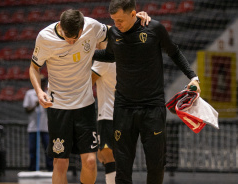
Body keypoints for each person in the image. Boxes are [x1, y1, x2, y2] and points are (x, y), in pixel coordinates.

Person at [28, 9, 151, 184]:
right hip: (58, 108)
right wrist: (39, 92)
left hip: (84, 107)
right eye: (67, 37)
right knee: (60, 163)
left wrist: (134, 20)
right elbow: (33, 67)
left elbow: (115, 30)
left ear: (82, 27)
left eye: (75, 38)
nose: (71, 42)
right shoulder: (45, 37)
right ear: (61, 26)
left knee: (91, 162)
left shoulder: (92, 26)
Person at [93, 0, 201, 183]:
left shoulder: (154, 29)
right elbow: (110, 55)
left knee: (156, 164)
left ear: (133, 14)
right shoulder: (113, 33)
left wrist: (193, 77)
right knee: (123, 165)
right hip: (123, 108)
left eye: (120, 20)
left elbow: (174, 52)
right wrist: (86, 53)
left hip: (152, 108)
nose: (116, 24)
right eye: (113, 20)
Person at [91, 41, 116, 184]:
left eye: (98, 40)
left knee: (107, 156)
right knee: (102, 154)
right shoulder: (121, 55)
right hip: (121, 113)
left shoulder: (104, 59)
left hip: (107, 114)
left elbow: (88, 82)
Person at [23, 77, 53, 172]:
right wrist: (35, 105)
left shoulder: (48, 94)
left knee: (48, 149)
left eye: (44, 82)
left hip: (45, 126)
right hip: (33, 127)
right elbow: (27, 110)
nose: (42, 83)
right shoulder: (30, 94)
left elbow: (52, 109)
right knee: (33, 149)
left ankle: (50, 169)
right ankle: (32, 169)